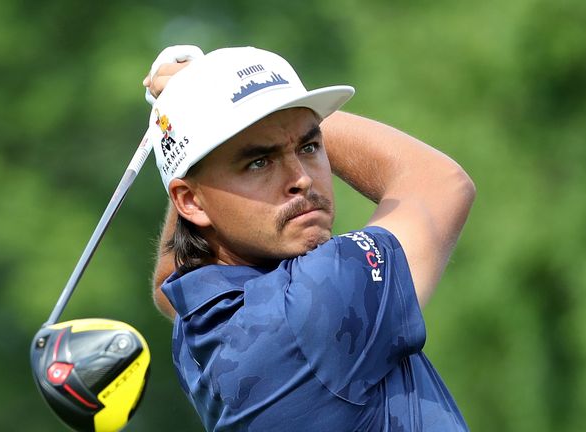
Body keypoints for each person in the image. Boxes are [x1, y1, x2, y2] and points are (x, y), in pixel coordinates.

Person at [143, 46, 475, 431]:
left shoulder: (200, 318)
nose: (301, 177)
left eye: (309, 146)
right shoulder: (322, 295)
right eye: (259, 162)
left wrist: (197, 103)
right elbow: (441, 182)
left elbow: (170, 278)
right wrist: (257, 104)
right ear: (191, 201)